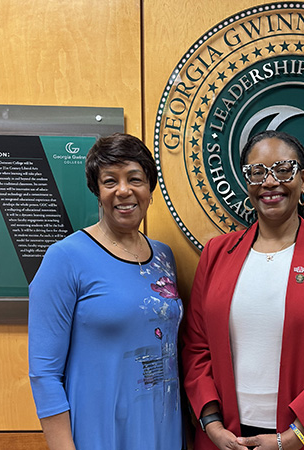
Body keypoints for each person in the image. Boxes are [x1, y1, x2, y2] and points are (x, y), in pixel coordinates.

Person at [182, 130, 304, 450]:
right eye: (257, 173)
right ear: (247, 183)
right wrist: (211, 423)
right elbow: (196, 348)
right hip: (227, 438)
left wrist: (293, 437)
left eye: (283, 169)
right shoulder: (216, 253)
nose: (270, 182)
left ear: (303, 178)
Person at [28, 133, 184, 450]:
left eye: (135, 179)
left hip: (163, 428)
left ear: (150, 190)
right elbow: (44, 374)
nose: (124, 190)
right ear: (97, 192)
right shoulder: (65, 258)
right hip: (100, 432)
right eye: (110, 181)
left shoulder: (164, 256)